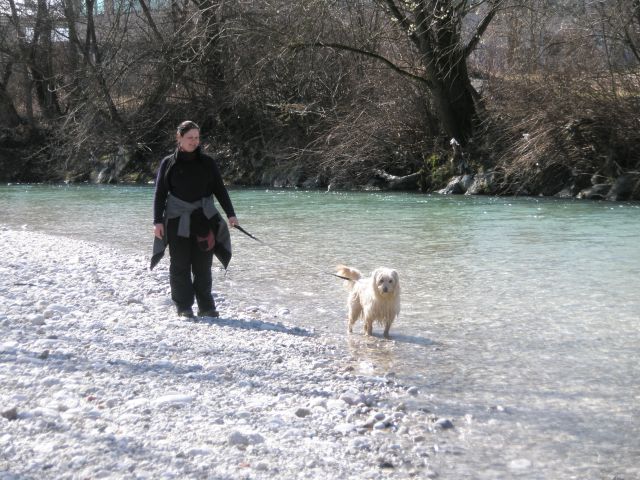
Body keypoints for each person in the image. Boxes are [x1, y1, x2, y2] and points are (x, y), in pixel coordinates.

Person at [150, 120, 239, 319]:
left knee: (203, 266)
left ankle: (206, 307)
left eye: (197, 138)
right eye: (190, 137)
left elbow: (220, 190)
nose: (194, 141)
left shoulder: (208, 163)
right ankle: (184, 307)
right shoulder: (168, 163)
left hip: (203, 220)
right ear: (179, 138)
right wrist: (157, 221)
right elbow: (160, 194)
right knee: (180, 264)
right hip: (176, 221)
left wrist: (231, 215)